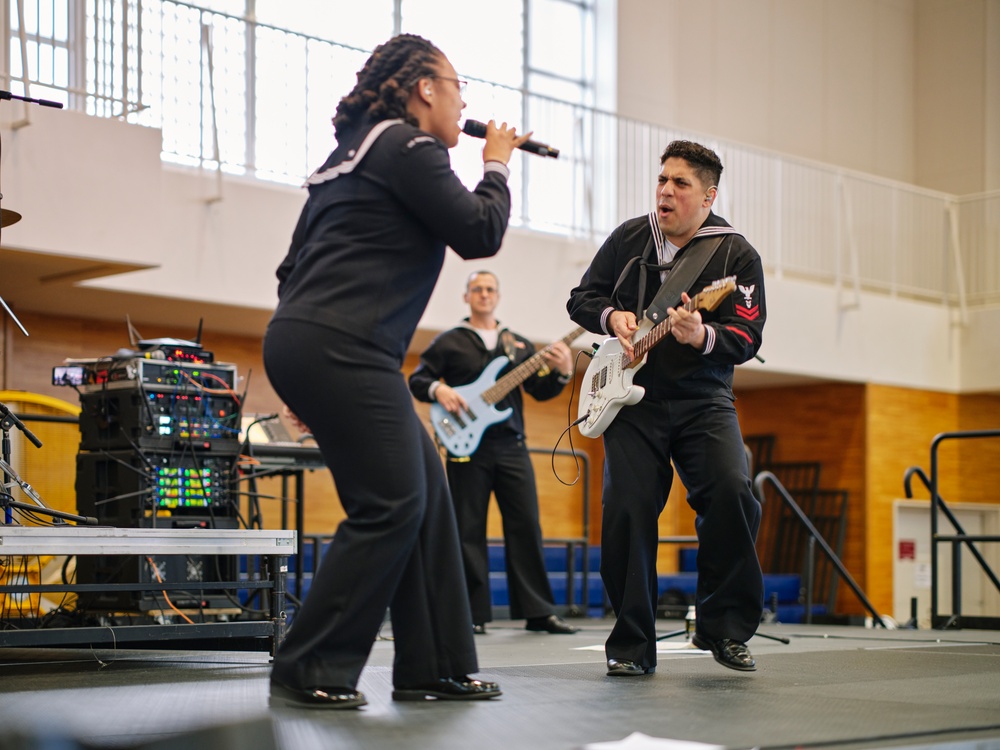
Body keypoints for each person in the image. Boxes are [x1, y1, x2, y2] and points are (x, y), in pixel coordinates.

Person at [262, 34, 531, 709]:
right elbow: (479, 232)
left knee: (428, 496)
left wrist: (303, 372)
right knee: (391, 505)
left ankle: (433, 665)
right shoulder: (410, 147)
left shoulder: (348, 157)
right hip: (343, 347)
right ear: (426, 90)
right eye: (458, 85)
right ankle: (309, 664)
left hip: (311, 340)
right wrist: (495, 164)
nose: (465, 101)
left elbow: (290, 270)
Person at [567, 140, 766, 676]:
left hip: (704, 397)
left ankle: (723, 628)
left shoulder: (735, 255)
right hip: (632, 401)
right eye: (662, 180)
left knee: (734, 493)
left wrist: (703, 334)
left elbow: (747, 335)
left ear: (708, 195)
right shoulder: (630, 238)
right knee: (627, 512)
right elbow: (581, 298)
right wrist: (612, 318)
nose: (666, 191)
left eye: (680, 183)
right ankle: (631, 646)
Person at [409, 270, 580, 637]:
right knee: (467, 529)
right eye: (477, 289)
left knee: (526, 526)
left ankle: (539, 612)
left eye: (489, 289)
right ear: (466, 296)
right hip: (467, 448)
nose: (484, 294)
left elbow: (540, 390)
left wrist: (563, 373)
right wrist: (440, 389)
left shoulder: (517, 344)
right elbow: (418, 379)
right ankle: (470, 613)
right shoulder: (449, 342)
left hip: (511, 445)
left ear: (497, 296)